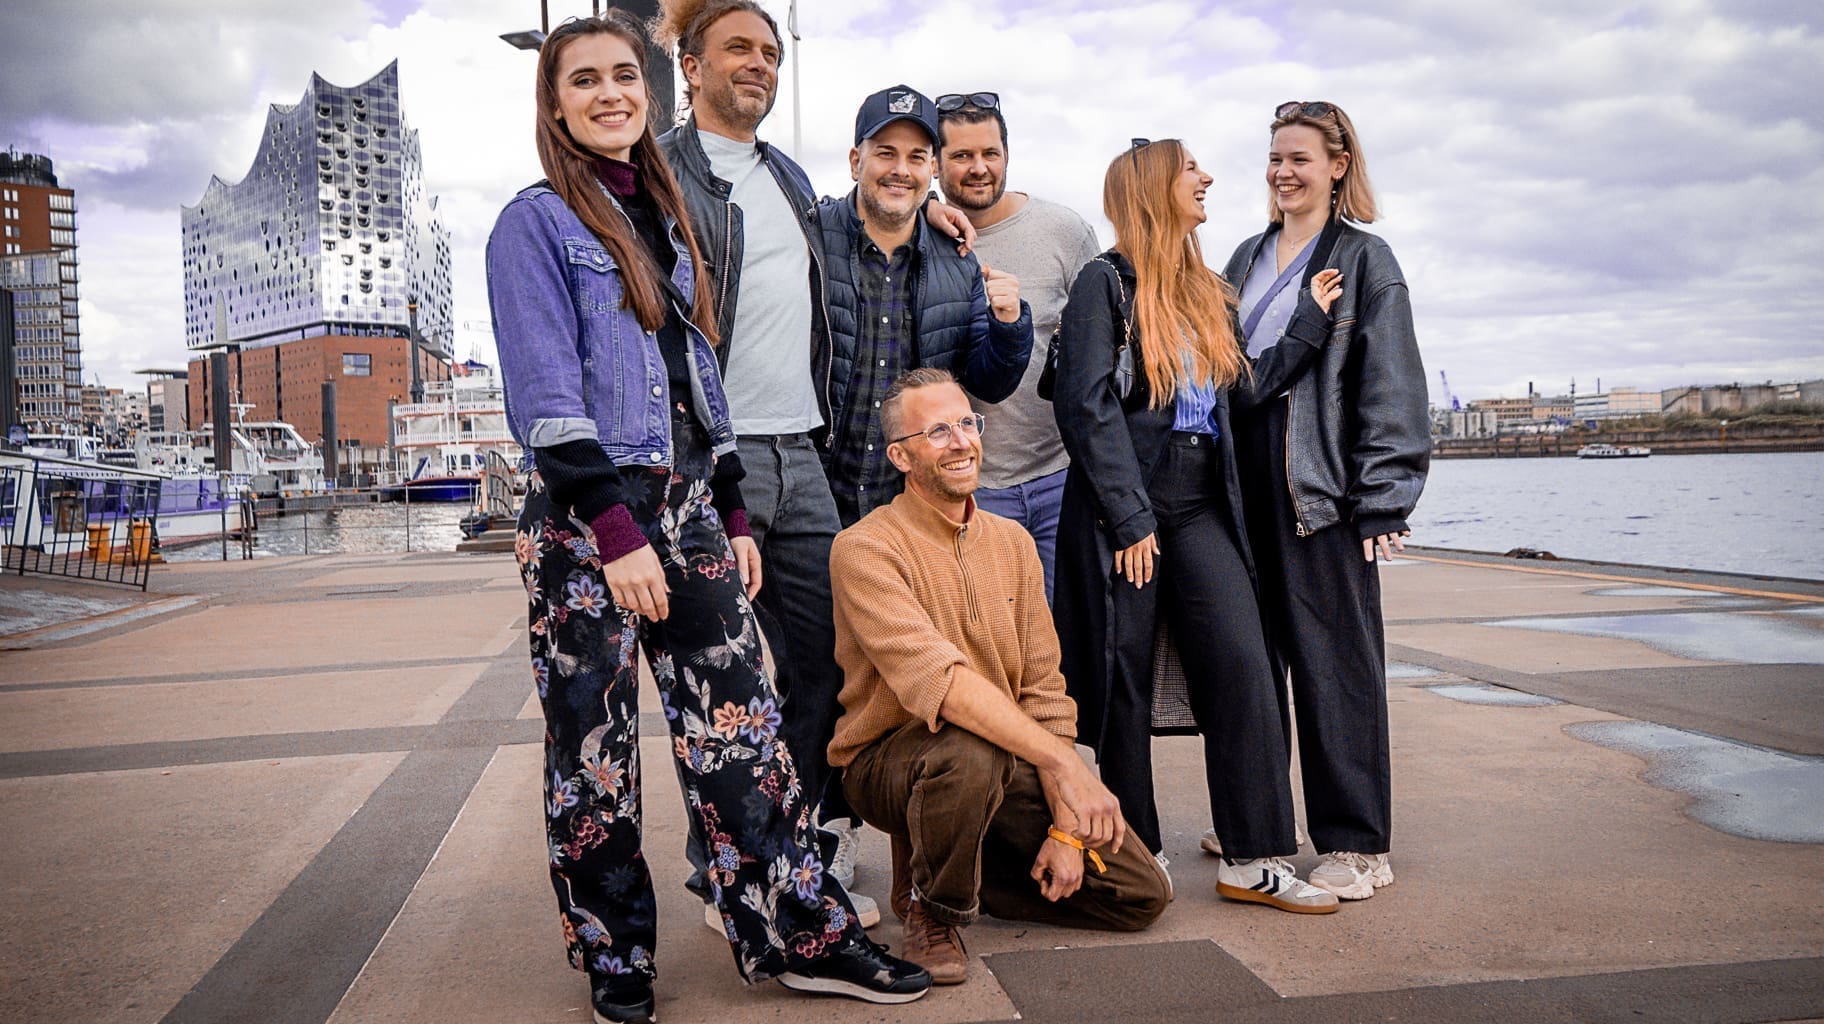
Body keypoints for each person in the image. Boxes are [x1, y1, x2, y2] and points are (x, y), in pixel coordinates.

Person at [485, 15, 930, 1021]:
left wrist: (727, 505)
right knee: (593, 756)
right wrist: (614, 530)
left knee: (745, 729)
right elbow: (548, 394)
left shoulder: (669, 210)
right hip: (587, 521)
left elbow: (697, 375)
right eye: (584, 79)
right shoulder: (536, 222)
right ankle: (616, 954)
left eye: (623, 77)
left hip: (688, 507)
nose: (610, 93)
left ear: (649, 91)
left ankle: (795, 930)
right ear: (554, 102)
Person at [1051, 138, 1343, 915]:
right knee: (1122, 683)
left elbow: (1242, 394)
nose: (1208, 178)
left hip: (1201, 499)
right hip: (1129, 503)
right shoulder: (1103, 284)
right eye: (1191, 170)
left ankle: (1253, 857)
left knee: (1246, 667)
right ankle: (1132, 854)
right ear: (1153, 188)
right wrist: (1128, 516)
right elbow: (1084, 404)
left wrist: (1308, 325)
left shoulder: (1210, 291)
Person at [828, 367, 1171, 985]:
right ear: (901, 456)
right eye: (937, 431)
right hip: (888, 761)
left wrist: (1067, 828)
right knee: (964, 746)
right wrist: (1068, 769)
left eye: (967, 423)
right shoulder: (864, 548)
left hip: (1001, 757)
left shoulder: (1012, 542)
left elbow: (1044, 687)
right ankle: (932, 911)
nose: (961, 442)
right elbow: (940, 682)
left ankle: (963, 865)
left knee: (1139, 894)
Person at [1220, 101, 1430, 901]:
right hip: (1243, 494)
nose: (1282, 171)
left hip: (1322, 493)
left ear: (1338, 165)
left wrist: (1384, 497)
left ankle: (1355, 841)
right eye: (1275, 157)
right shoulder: (1246, 255)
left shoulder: (1367, 260)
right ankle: (1266, 822)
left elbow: (1392, 383)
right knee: (1254, 663)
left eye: (1299, 158)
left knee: (1335, 667)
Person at [816, 85, 1034, 529]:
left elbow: (987, 384)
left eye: (916, 157)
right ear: (856, 161)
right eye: (885, 153)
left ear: (932, 168)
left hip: (911, 506)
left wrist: (1009, 325)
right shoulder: (810, 238)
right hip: (814, 494)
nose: (901, 170)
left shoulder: (959, 261)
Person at [935, 92, 1101, 601]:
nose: (978, 168)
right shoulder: (921, 236)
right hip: (969, 485)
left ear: (1008, 155)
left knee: (1060, 648)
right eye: (961, 156)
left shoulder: (1064, 231)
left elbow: (1104, 351)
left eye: (990, 153)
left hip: (1060, 476)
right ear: (937, 163)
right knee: (989, 643)